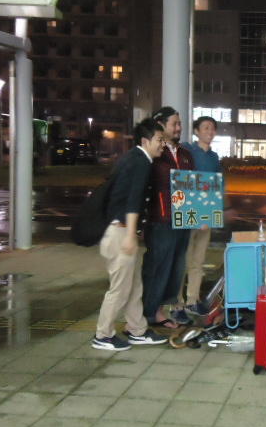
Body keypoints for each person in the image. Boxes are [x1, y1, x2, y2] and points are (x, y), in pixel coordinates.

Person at [92, 118, 168, 351]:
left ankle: (137, 330)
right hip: (120, 233)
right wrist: (130, 235)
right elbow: (134, 200)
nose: (162, 144)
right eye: (159, 139)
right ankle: (103, 335)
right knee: (120, 289)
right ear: (145, 141)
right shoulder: (140, 162)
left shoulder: (132, 158)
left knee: (134, 286)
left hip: (119, 230)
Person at [141, 107, 194, 329]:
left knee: (175, 268)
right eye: (174, 124)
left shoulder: (185, 154)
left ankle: (160, 310)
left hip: (183, 220)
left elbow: (193, 187)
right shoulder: (154, 153)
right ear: (161, 125)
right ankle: (149, 312)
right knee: (158, 268)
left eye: (179, 124)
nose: (179, 128)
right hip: (161, 220)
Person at [171, 116, 223, 324]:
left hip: (205, 218)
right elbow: (183, 182)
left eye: (213, 128)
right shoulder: (187, 151)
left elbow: (216, 187)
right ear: (196, 131)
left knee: (198, 261)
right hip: (188, 215)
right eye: (206, 127)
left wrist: (211, 214)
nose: (210, 131)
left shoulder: (214, 157)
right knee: (181, 262)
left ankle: (192, 300)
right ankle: (177, 304)